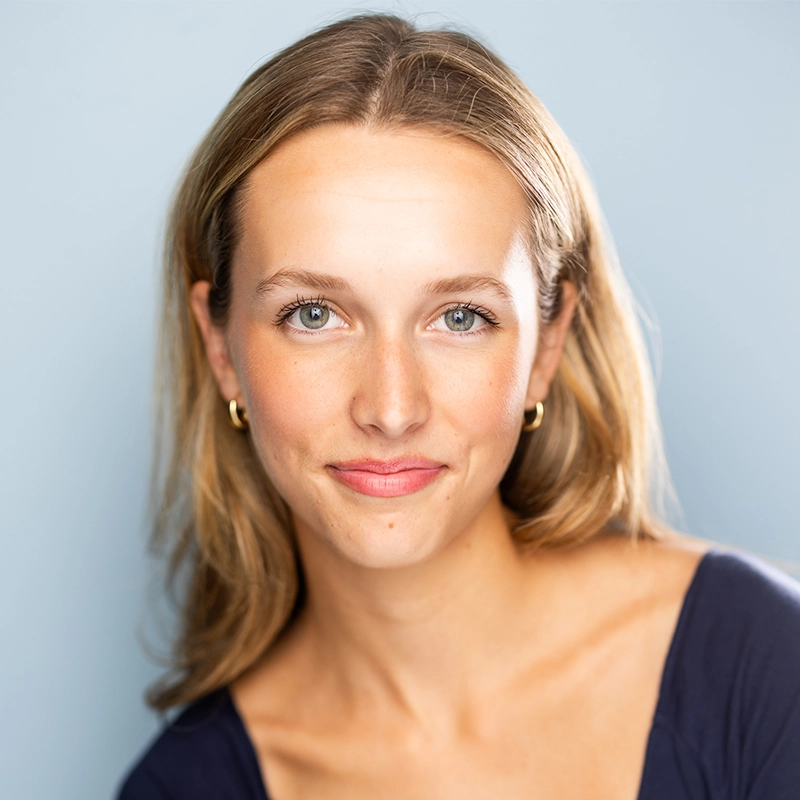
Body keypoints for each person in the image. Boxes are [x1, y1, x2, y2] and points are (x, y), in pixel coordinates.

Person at [118, 12, 800, 800]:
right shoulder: (186, 788)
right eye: (313, 314)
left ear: (547, 346)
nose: (391, 407)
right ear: (220, 347)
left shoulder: (765, 669)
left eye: (460, 317)